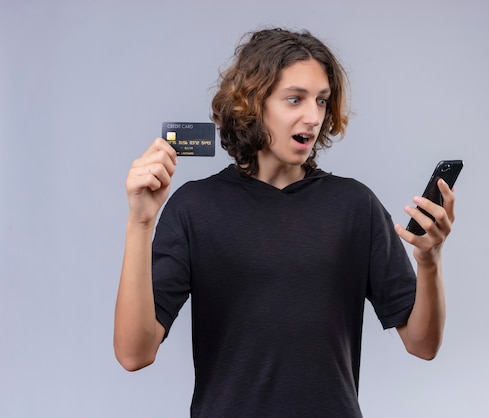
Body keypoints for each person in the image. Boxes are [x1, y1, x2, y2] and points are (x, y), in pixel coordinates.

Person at [114, 27, 456, 417]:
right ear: (251, 103)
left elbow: (422, 344)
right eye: (295, 99)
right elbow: (133, 353)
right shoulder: (194, 207)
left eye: (322, 101)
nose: (313, 117)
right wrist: (140, 224)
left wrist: (429, 261)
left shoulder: (355, 205)